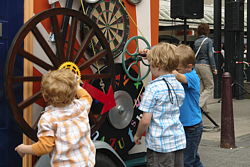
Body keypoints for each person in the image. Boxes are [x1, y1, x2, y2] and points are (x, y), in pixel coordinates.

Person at [15, 69, 95, 167]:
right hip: (86, 163)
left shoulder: (48, 119)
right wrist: (76, 85)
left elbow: (44, 147)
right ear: (74, 92)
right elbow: (87, 97)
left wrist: (23, 149)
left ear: (45, 97)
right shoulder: (80, 107)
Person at [134, 43, 186, 167]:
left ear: (157, 66)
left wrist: (137, 134)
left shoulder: (153, 88)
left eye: (151, 63)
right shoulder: (179, 85)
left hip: (160, 145)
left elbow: (145, 121)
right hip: (177, 141)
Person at [173, 44, 204, 167]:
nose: (175, 70)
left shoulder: (193, 77)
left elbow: (178, 76)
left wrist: (165, 65)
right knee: (193, 158)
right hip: (183, 125)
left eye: (177, 68)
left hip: (192, 127)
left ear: (189, 67)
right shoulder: (185, 72)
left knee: (187, 161)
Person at [194, 23, 217, 113]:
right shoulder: (208, 41)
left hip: (197, 65)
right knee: (210, 86)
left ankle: (204, 109)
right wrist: (214, 68)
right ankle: (198, 105)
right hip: (205, 65)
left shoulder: (196, 41)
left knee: (201, 87)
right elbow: (210, 55)